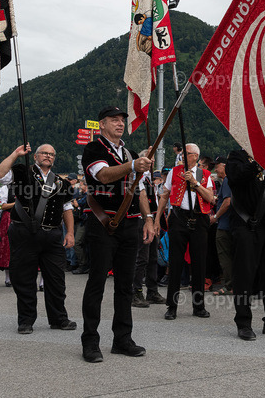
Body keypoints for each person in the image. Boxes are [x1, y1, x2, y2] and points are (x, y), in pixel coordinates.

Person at [80, 106, 155, 363]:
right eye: (114, 120)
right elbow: (102, 175)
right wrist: (132, 165)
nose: (120, 123)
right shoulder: (94, 149)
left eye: (122, 120)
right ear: (102, 124)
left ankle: (122, 339)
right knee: (97, 283)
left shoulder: (129, 153)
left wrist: (148, 219)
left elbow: (140, 189)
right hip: (102, 223)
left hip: (130, 224)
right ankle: (90, 341)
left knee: (125, 285)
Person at [0, 143, 77, 334]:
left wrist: (70, 232)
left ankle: (58, 318)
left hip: (53, 235)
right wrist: (16, 153)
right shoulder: (22, 172)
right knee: (24, 279)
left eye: (51, 154)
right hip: (24, 233)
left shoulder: (61, 182)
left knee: (56, 279)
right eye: (44, 153)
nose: (48, 156)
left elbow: (67, 209)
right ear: (35, 157)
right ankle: (26, 320)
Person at [225, 149, 265, 340]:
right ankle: (243, 322)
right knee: (244, 276)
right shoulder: (236, 157)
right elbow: (236, 177)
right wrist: (257, 163)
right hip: (245, 225)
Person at [155, 142, 214, 320]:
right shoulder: (174, 171)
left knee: (198, 263)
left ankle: (199, 306)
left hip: (199, 219)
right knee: (175, 262)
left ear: (195, 156)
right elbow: (164, 195)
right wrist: (157, 218)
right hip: (179, 218)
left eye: (186, 153)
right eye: (182, 153)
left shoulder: (205, 174)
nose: (182, 156)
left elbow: (210, 198)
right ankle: (171, 306)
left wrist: (195, 183)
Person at [133, 151, 165, 307]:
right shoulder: (138, 177)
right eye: (149, 159)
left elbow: (157, 202)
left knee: (153, 257)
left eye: (152, 160)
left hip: (153, 220)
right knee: (142, 258)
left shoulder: (151, 179)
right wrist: (148, 220)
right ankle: (136, 292)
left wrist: (157, 220)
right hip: (141, 220)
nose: (152, 162)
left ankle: (152, 291)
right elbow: (140, 197)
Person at [210, 156, 234, 296]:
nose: (215, 169)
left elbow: (227, 202)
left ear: (225, 166)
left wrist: (215, 217)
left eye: (217, 166)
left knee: (225, 256)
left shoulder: (227, 180)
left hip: (225, 225)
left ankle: (229, 286)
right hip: (231, 224)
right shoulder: (232, 180)